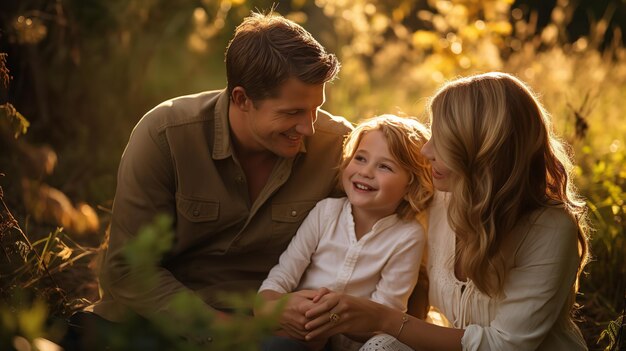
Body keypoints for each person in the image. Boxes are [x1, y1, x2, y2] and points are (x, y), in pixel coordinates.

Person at [62, 11, 353, 349]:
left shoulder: (340, 148)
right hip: (157, 321)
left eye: (315, 108)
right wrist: (223, 332)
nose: (308, 128)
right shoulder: (164, 136)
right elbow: (129, 269)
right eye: (291, 113)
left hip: (269, 333)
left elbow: (390, 222)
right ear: (242, 99)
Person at [301, 72, 591, 350]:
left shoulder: (550, 229)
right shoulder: (440, 196)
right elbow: (376, 186)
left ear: (479, 150)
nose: (426, 151)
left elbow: (505, 345)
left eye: (441, 139)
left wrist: (382, 317)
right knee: (381, 347)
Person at [256, 115, 434, 351]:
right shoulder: (325, 212)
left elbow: (386, 316)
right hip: (299, 334)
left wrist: (333, 320)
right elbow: (282, 275)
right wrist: (272, 306)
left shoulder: (408, 236)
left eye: (384, 166)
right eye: (360, 158)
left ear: (411, 184)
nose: (366, 171)